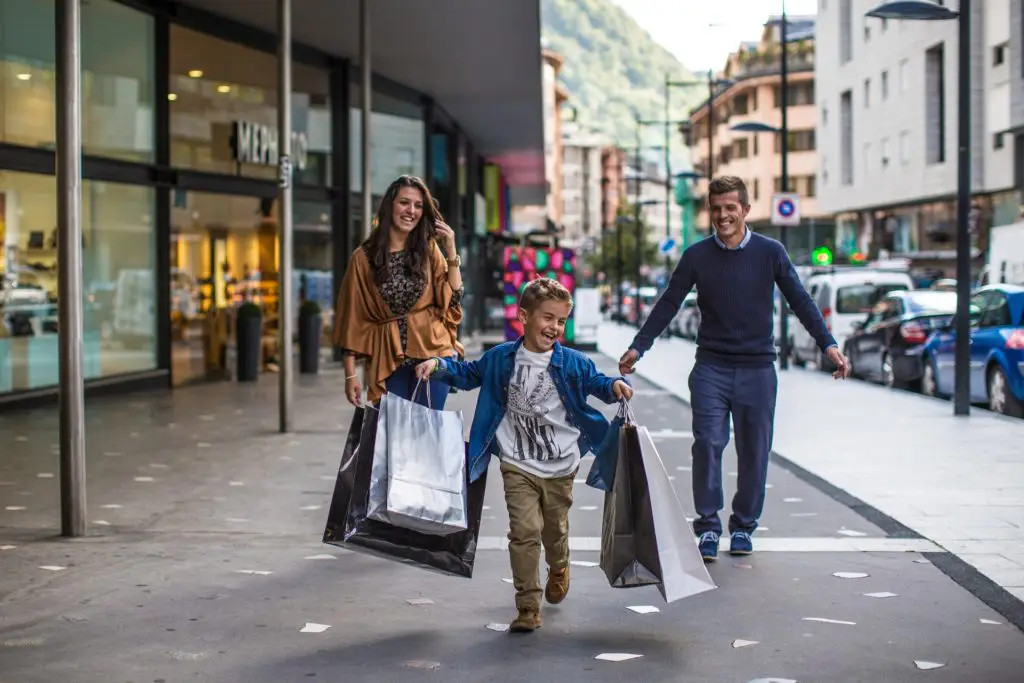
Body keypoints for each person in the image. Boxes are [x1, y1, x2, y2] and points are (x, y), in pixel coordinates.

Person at [618, 175, 850, 562]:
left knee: (754, 451)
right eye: (717, 208)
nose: (723, 215)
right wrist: (638, 347)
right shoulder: (696, 256)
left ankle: (743, 526)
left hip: (759, 370)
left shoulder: (770, 252)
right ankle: (708, 527)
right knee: (707, 444)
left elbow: (801, 300)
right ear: (710, 210)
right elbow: (669, 303)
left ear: (745, 209)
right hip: (711, 367)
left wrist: (828, 344)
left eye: (731, 208)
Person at [415, 278, 633, 633]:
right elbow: (469, 374)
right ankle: (528, 606)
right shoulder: (502, 358)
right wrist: (439, 366)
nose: (555, 327)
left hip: (560, 463)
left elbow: (595, 382)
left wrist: (613, 386)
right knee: (523, 531)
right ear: (524, 317)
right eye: (548, 318)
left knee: (553, 531)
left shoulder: (572, 362)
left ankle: (559, 565)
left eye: (561, 321)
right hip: (517, 463)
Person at [334, 175, 464, 408]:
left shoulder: (429, 249)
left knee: (428, 434)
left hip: (432, 353)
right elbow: (351, 318)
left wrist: (451, 249)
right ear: (389, 206)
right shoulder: (363, 258)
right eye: (404, 202)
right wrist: (350, 374)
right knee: (393, 439)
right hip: (387, 358)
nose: (411, 211)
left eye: (418, 205)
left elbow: (453, 297)